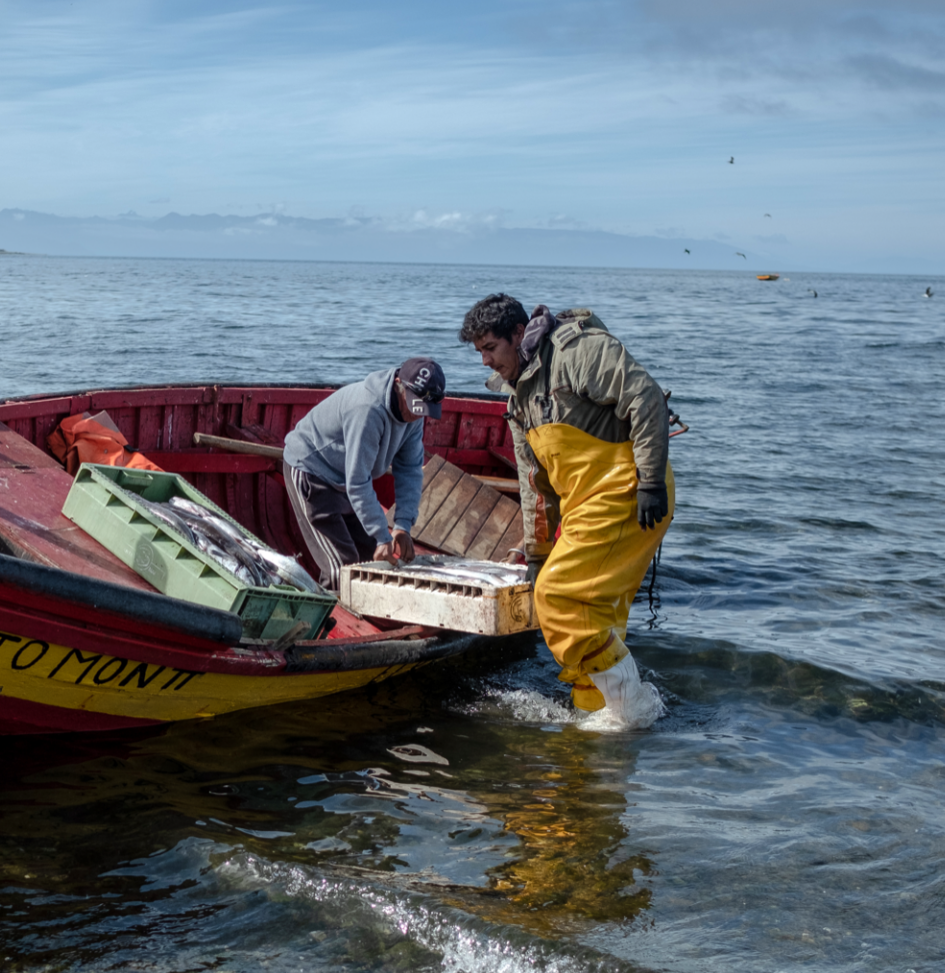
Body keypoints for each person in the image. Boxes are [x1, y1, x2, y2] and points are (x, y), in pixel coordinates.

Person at [458, 294, 673, 718]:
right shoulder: (517, 400)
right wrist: (537, 553)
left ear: (517, 334)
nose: (484, 361)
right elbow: (534, 487)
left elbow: (645, 399)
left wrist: (649, 481)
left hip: (628, 494)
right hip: (584, 505)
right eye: (478, 351)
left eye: (490, 349)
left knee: (558, 598)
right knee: (593, 613)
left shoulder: (578, 352)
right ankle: (594, 712)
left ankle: (634, 710)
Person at [282, 357, 445, 590]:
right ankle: (327, 622)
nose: (418, 414)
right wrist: (382, 535)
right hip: (312, 470)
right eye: (415, 404)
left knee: (373, 559)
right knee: (342, 568)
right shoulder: (368, 409)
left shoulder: (416, 414)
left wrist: (402, 526)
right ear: (399, 384)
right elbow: (358, 482)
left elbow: (409, 469)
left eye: (425, 409)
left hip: (346, 478)